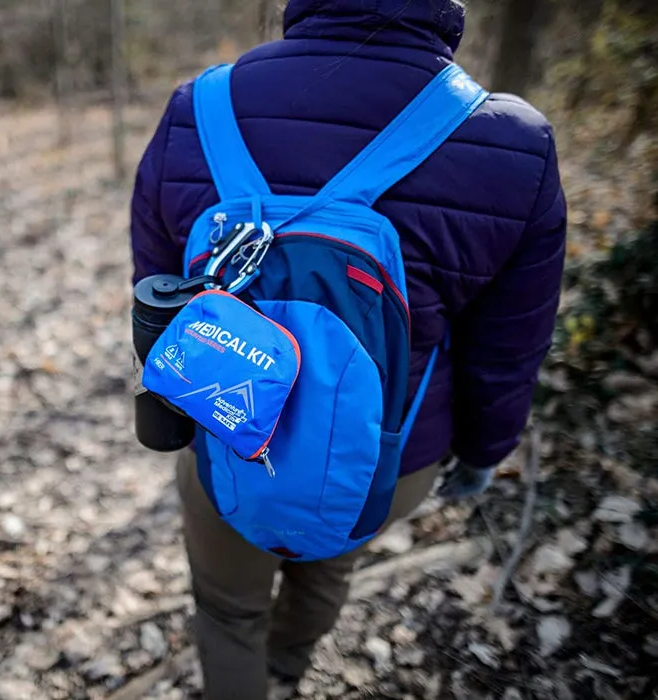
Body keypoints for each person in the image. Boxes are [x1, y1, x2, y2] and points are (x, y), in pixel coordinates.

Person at [127, 1, 567, 698]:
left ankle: (248, 677)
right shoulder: (513, 142)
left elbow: (155, 291)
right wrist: (485, 451)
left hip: (224, 432)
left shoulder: (198, 110)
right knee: (329, 563)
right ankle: (288, 667)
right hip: (395, 454)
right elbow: (507, 349)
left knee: (228, 607)